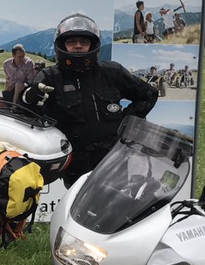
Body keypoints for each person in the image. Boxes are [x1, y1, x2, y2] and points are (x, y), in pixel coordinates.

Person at [23, 15, 158, 183]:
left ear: (93, 45)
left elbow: (148, 94)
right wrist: (30, 97)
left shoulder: (112, 72)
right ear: (61, 45)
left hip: (114, 159)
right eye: (71, 42)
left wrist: (127, 122)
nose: (78, 46)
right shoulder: (50, 77)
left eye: (84, 41)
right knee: (78, 200)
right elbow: (26, 108)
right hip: (76, 165)